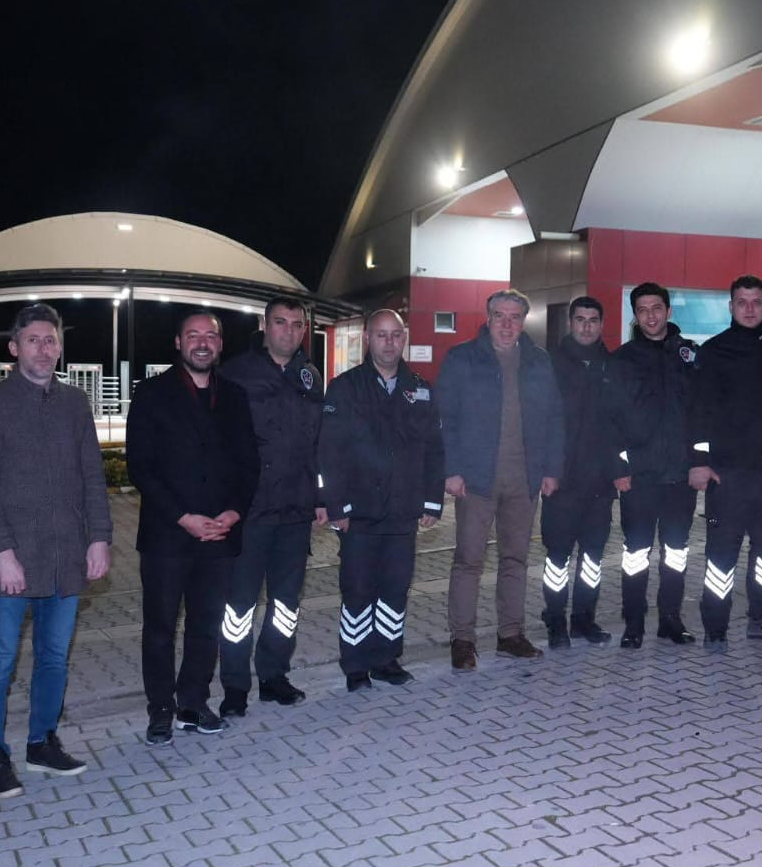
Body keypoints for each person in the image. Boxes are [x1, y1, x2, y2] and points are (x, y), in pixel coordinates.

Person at [0, 303, 112, 797]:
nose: (43, 349)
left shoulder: (75, 403)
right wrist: (2, 551)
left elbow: (93, 476)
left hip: (66, 556)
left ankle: (41, 742)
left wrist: (99, 538)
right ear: (14, 347)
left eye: (50, 340)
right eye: (33, 340)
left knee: (53, 658)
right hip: (12, 559)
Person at [127, 311, 259, 745]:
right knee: (160, 627)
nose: (202, 343)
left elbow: (249, 464)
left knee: (207, 625)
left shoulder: (235, 397)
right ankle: (160, 709)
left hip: (221, 535)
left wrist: (234, 513)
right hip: (169, 535)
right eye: (193, 335)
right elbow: (141, 467)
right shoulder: (151, 394)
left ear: (220, 345)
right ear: (178, 343)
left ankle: (193, 703)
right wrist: (184, 517)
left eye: (211, 336)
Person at [317, 310, 445, 690]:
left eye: (395, 335)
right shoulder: (345, 388)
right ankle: (355, 665)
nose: (389, 343)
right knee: (357, 588)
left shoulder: (421, 388)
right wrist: (336, 506)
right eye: (381, 335)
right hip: (358, 514)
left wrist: (432, 502)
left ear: (404, 339)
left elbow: (435, 450)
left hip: (403, 511)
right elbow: (329, 453)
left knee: (394, 588)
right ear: (367, 340)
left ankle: (387, 658)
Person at [438, 289, 564, 670]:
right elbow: (445, 418)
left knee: (515, 560)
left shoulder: (539, 361)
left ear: (523, 320)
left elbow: (555, 417)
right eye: (500, 316)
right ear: (488, 317)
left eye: (514, 317)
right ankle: (462, 639)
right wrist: (451, 470)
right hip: (476, 480)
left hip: (523, 480)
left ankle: (510, 634)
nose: (507, 325)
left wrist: (551, 469)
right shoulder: (462, 358)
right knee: (468, 562)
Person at [218, 298, 321, 716]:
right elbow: (220, 445)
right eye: (281, 323)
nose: (289, 331)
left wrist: (321, 500)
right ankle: (235, 685)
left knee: (285, 604)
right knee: (239, 606)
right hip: (250, 513)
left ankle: (274, 674)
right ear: (264, 325)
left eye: (297, 325)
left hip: (295, 512)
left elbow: (318, 447)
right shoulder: (235, 375)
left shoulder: (310, 376)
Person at [688, 275, 762, 645]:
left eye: (756, 302)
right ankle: (715, 627)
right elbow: (698, 413)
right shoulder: (714, 351)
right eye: (742, 302)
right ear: (731, 306)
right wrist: (700, 462)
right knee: (722, 553)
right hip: (729, 473)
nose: (750, 309)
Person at [608, 282, 702, 649]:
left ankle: (670, 619)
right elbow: (610, 420)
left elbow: (702, 414)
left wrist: (700, 464)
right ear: (635, 314)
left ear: (668, 311)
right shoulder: (622, 359)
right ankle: (633, 623)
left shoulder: (691, 355)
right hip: (640, 478)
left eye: (657, 307)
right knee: (635, 554)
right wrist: (619, 468)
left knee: (676, 552)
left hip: (680, 476)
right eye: (643, 309)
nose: (651, 315)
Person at [539, 296, 622, 648]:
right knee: (557, 558)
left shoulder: (612, 365)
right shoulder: (551, 364)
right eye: (580, 319)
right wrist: (546, 470)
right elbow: (540, 421)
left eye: (593, 320)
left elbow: (620, 425)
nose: (587, 326)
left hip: (600, 484)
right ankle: (555, 620)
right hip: (561, 481)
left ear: (601, 324)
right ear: (570, 323)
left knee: (592, 558)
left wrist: (620, 470)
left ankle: (584, 619)